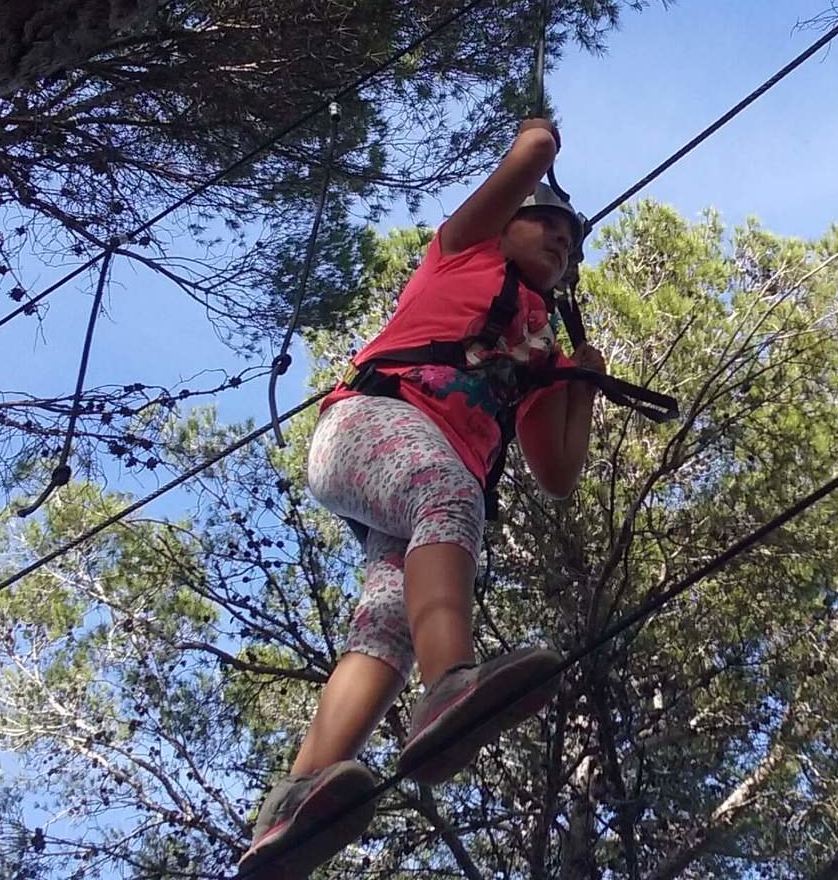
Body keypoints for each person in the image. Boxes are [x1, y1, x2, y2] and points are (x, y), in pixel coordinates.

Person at [238, 118, 602, 877]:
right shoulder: (461, 253)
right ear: (507, 225)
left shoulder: (541, 354)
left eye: (573, 248)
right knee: (449, 493)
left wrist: (581, 386)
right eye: (551, 229)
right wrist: (540, 137)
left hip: (405, 484)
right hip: (368, 427)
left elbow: (559, 475)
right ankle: (451, 688)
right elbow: (530, 155)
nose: (563, 247)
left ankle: (296, 803)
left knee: (384, 627)